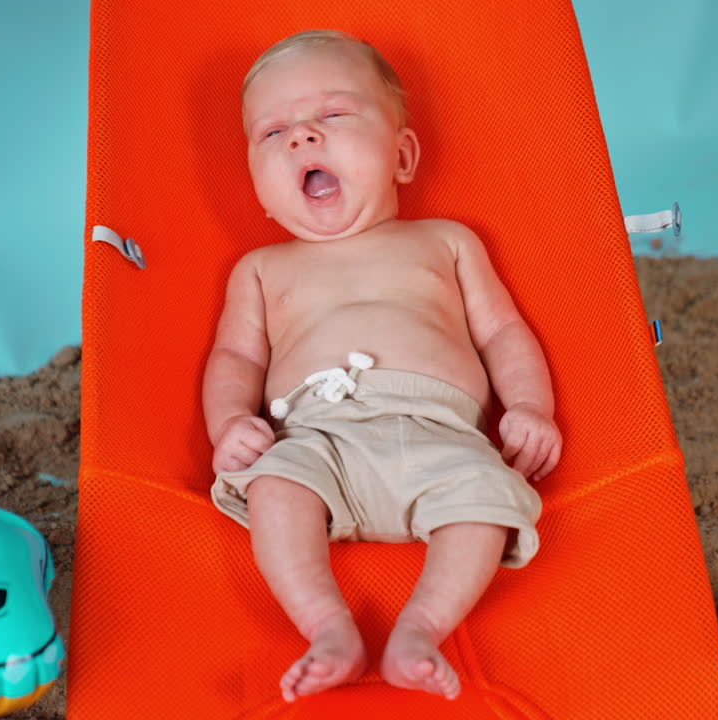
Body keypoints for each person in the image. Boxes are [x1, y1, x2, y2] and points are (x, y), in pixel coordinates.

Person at [203, 29, 562, 703]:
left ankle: (422, 627)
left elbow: (503, 331)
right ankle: (327, 626)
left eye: (333, 116)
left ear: (401, 155)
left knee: (486, 494)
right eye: (274, 132)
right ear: (259, 188)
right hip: (315, 437)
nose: (302, 138)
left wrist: (530, 407)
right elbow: (238, 355)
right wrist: (229, 422)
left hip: (446, 436)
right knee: (272, 487)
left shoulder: (447, 243)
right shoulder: (261, 269)